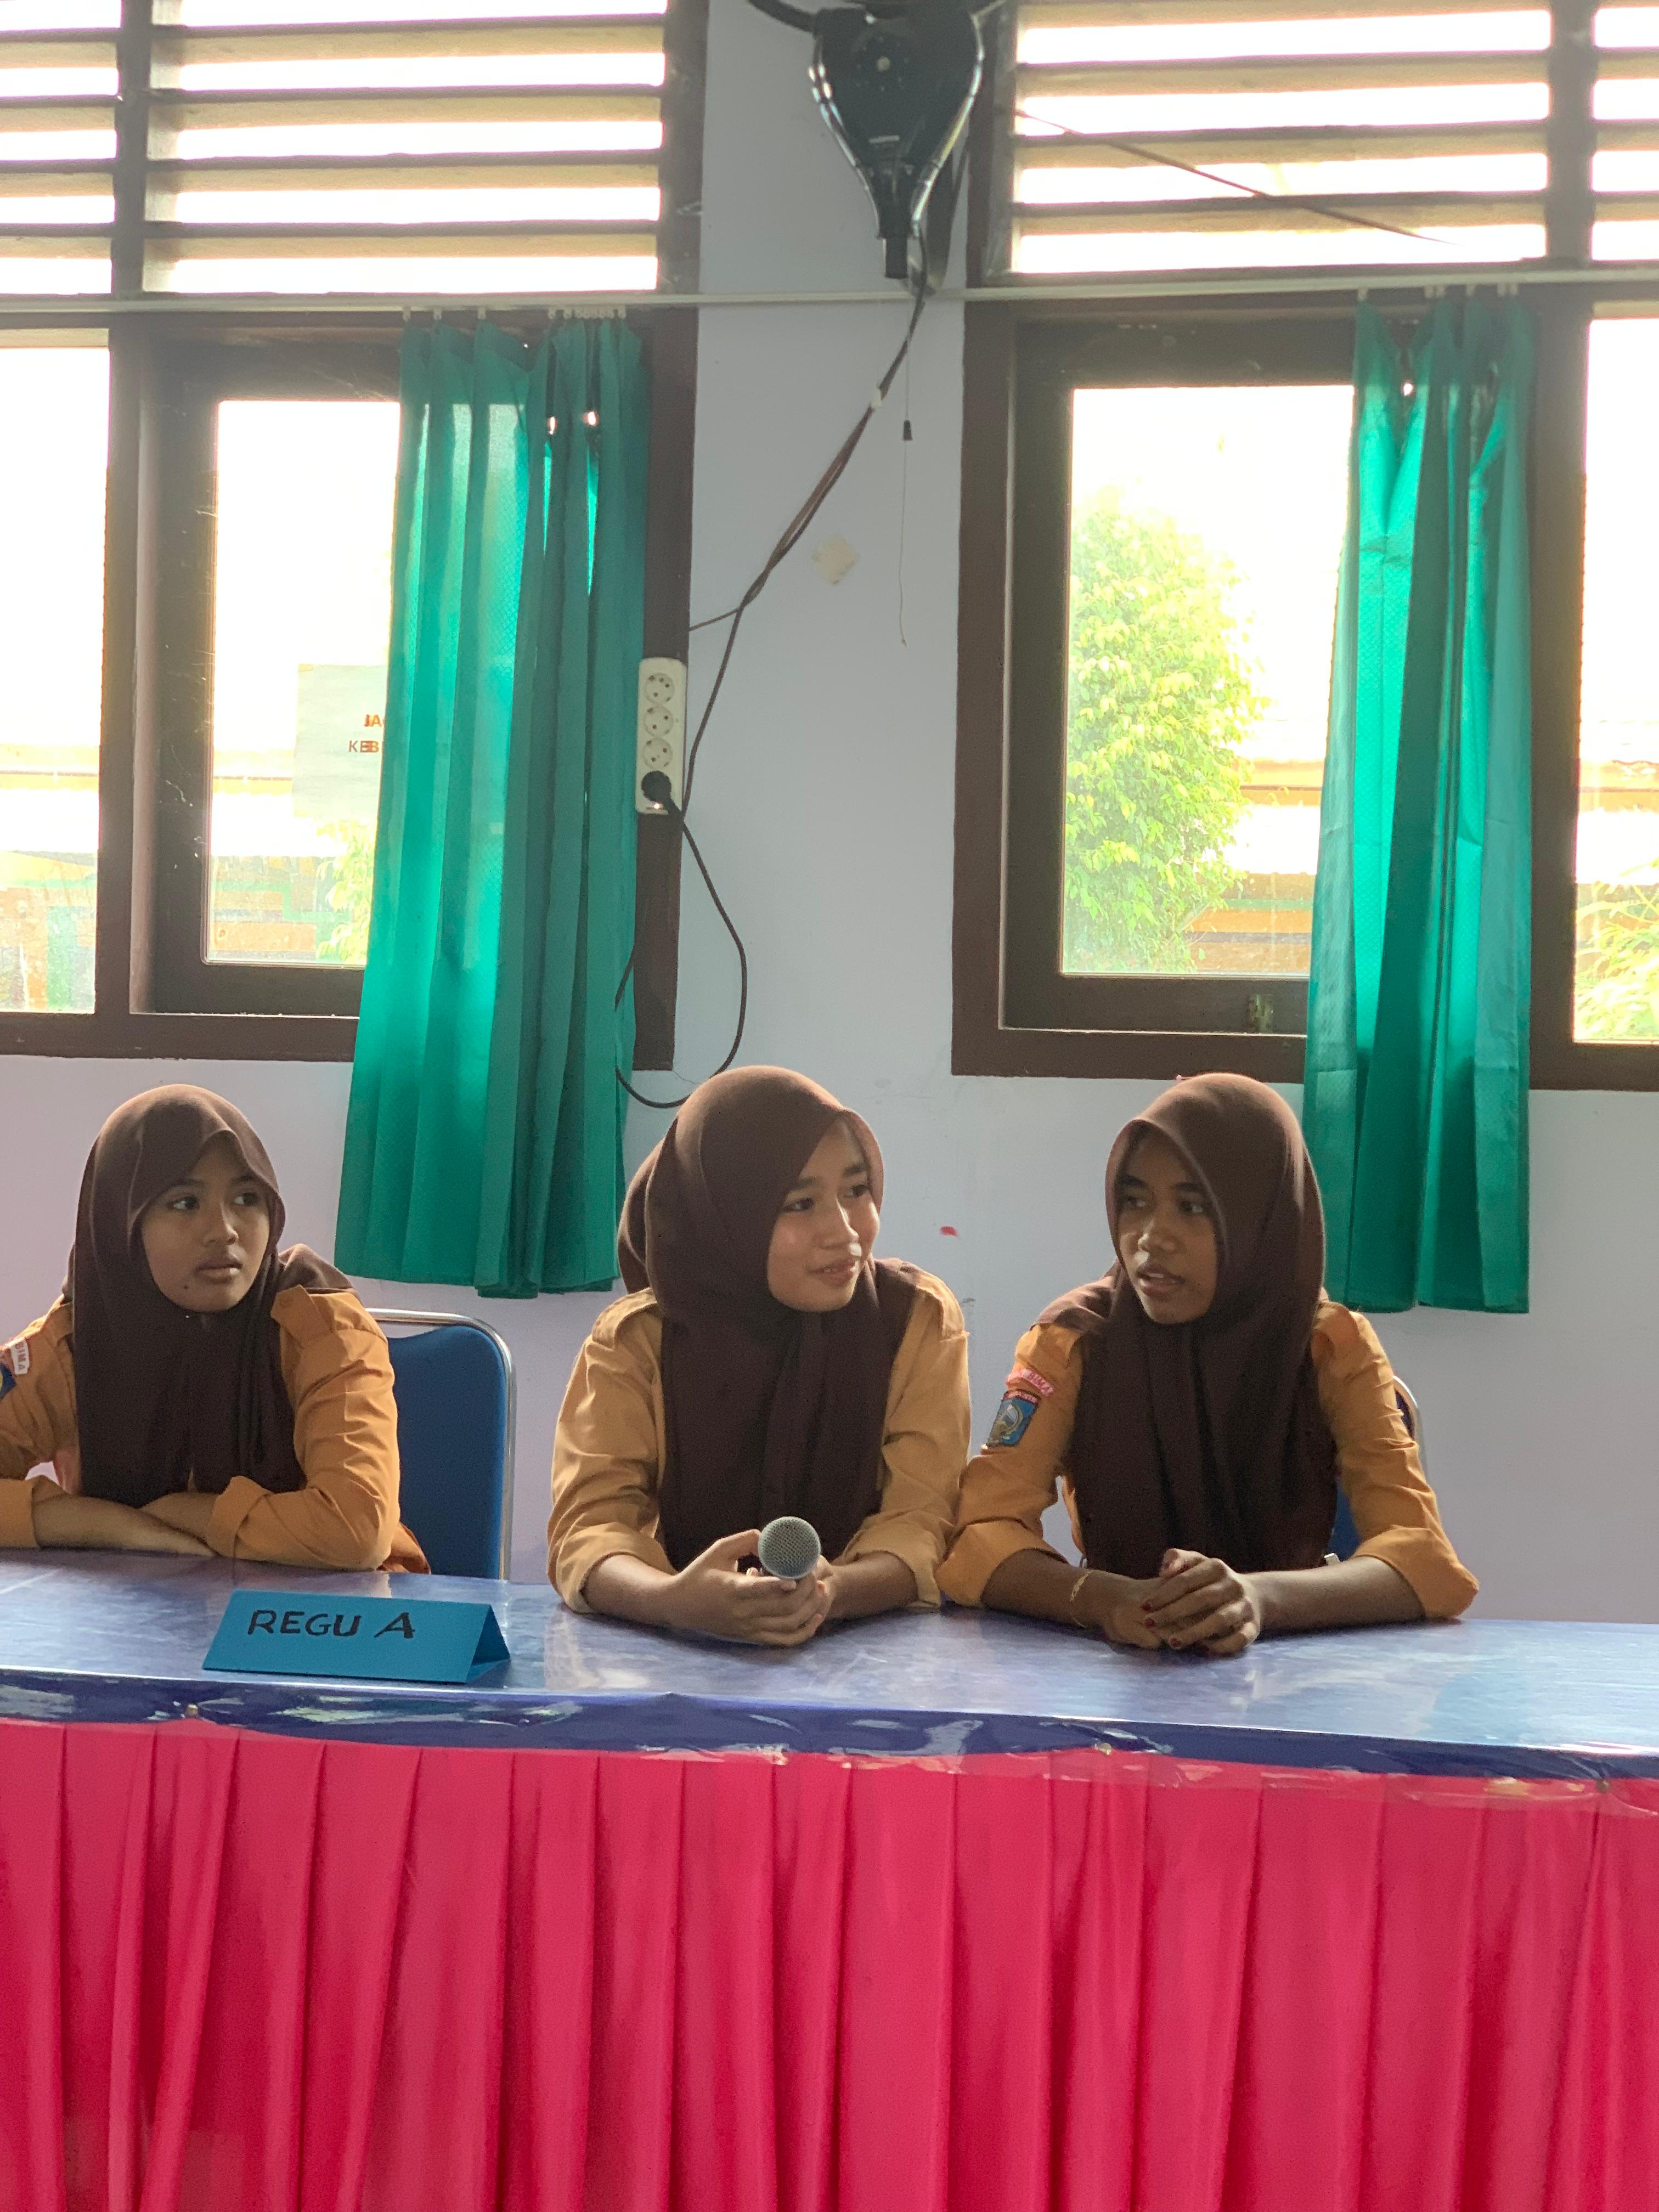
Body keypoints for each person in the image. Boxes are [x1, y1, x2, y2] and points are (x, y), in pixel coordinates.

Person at [939, 1073, 1475, 1654]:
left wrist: (1257, 1599)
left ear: (1261, 1220)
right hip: (1118, 1659)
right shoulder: (1074, 1340)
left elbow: (1424, 1560)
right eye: (1135, 1201)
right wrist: (1107, 1599)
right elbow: (980, 1538)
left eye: (1193, 1207)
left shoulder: (1328, 1345)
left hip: (1291, 1661)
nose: (1151, 1238)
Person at [548, 1065, 970, 1645]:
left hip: (870, 1654)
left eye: (856, 1191)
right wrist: (673, 1601)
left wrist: (833, 1592)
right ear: (724, 1215)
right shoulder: (638, 1341)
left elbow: (921, 1520)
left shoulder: (913, 1320)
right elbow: (591, 1529)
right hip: (668, 1653)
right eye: (800, 1203)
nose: (843, 1231)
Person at [0, 1086, 425, 1571]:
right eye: (185, 1203)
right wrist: (108, 1526)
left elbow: (356, 1531)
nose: (224, 1230)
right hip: (136, 1607)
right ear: (122, 1223)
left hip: (327, 1610)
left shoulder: (322, 1326)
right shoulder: (79, 1343)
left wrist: (184, 1514)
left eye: (247, 1198)